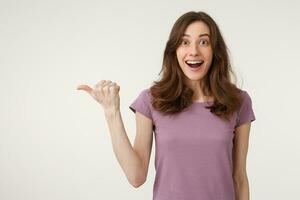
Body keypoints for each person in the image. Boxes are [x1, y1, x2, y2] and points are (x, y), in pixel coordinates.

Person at [77, 11, 256, 200]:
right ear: (174, 50)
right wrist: (111, 112)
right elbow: (136, 176)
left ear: (215, 50)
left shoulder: (238, 102)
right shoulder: (151, 101)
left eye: (204, 42)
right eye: (184, 42)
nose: (194, 51)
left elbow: (239, 179)